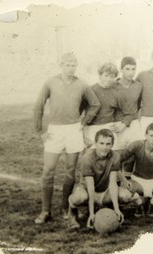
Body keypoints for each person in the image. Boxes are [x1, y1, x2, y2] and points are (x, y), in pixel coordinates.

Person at [33, 52, 101, 224]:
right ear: (61, 65)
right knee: (48, 171)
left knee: (70, 171)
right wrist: (39, 131)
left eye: (73, 64)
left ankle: (65, 208)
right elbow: (38, 106)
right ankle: (45, 211)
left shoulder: (82, 84)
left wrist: (84, 122)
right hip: (54, 130)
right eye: (67, 64)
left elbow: (95, 104)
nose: (71, 67)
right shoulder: (50, 82)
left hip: (73, 130)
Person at [67, 129, 133, 229]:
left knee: (126, 196)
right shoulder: (87, 158)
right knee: (79, 198)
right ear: (95, 143)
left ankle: (109, 208)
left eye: (108, 144)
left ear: (112, 145)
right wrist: (91, 214)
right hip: (87, 190)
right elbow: (90, 187)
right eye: (101, 143)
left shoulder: (115, 156)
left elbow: (113, 184)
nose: (104, 147)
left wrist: (117, 209)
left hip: (104, 191)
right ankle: (72, 210)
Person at [83, 63, 119, 149]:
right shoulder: (90, 90)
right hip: (92, 128)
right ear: (100, 75)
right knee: (93, 157)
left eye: (112, 76)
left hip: (109, 127)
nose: (108, 79)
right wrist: (83, 135)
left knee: (113, 157)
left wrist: (118, 125)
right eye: (106, 75)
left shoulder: (115, 92)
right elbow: (80, 113)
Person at [112, 56, 143, 150]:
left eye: (133, 69)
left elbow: (137, 105)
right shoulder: (113, 85)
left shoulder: (138, 86)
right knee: (118, 154)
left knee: (135, 152)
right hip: (118, 124)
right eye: (127, 69)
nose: (130, 72)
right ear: (121, 69)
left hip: (133, 123)